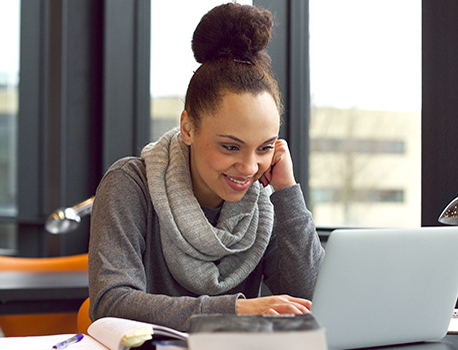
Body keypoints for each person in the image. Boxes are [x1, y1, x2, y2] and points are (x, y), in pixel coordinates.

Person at [88, 3, 324, 331]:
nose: (248, 167)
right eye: (230, 146)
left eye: (265, 147)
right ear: (188, 127)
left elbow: (315, 298)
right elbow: (111, 302)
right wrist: (235, 311)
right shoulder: (130, 184)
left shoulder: (261, 208)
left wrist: (287, 193)